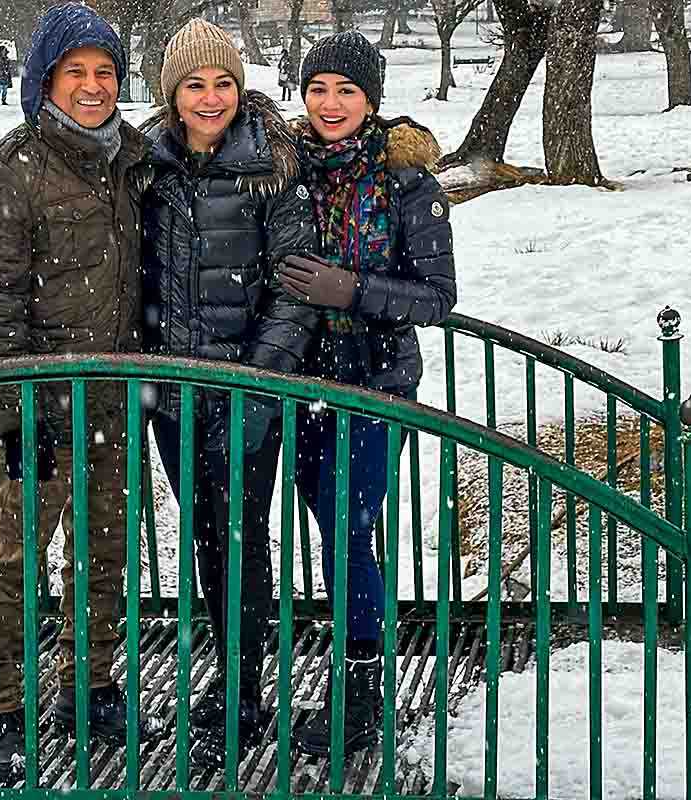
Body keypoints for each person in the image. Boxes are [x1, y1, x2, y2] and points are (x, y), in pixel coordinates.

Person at [0, 2, 156, 783]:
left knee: (106, 553)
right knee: (15, 560)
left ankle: (91, 685)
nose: (93, 86)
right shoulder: (4, 174)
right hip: (36, 404)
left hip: (115, 398)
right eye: (75, 72)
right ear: (44, 81)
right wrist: (12, 412)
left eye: (105, 72)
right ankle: (0, 704)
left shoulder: (133, 160)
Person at [140, 18, 319, 768]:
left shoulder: (272, 166)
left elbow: (297, 287)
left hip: (247, 390)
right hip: (172, 397)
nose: (210, 98)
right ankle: (226, 666)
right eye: (194, 85)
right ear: (171, 93)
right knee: (207, 535)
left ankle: (243, 688)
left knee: (239, 534)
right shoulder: (144, 166)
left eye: (222, 83)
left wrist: (257, 383)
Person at [278, 30, 456, 759]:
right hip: (298, 378)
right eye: (318, 88)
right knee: (327, 521)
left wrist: (352, 289)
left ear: (372, 100)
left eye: (346, 90)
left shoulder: (406, 182)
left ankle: (360, 683)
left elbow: (438, 296)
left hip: (377, 382)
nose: (330, 103)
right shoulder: (285, 169)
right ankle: (348, 646)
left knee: (349, 528)